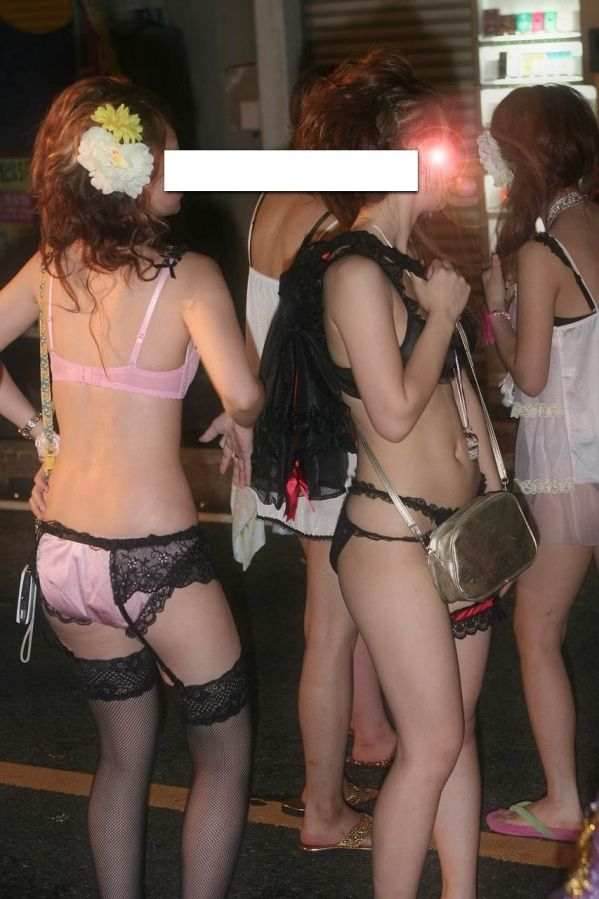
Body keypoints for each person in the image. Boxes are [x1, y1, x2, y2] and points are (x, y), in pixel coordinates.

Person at [0, 75, 263, 899]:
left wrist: (40, 434)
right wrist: (241, 417)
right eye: (173, 154)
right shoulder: (190, 276)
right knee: (223, 755)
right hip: (156, 560)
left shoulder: (52, 268)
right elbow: (243, 391)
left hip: (66, 556)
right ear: (135, 171)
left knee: (120, 760)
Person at [252, 49, 503, 896]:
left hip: (458, 536)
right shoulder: (355, 271)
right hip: (394, 542)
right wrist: (442, 316)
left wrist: (490, 479)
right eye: (437, 141)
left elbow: (453, 396)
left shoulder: (405, 261)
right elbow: (392, 411)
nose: (453, 157)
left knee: (454, 736)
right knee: (430, 745)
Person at [481, 83, 599, 843]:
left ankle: (561, 799)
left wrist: (496, 306)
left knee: (537, 629)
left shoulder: (540, 250)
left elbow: (525, 377)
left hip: (568, 463)